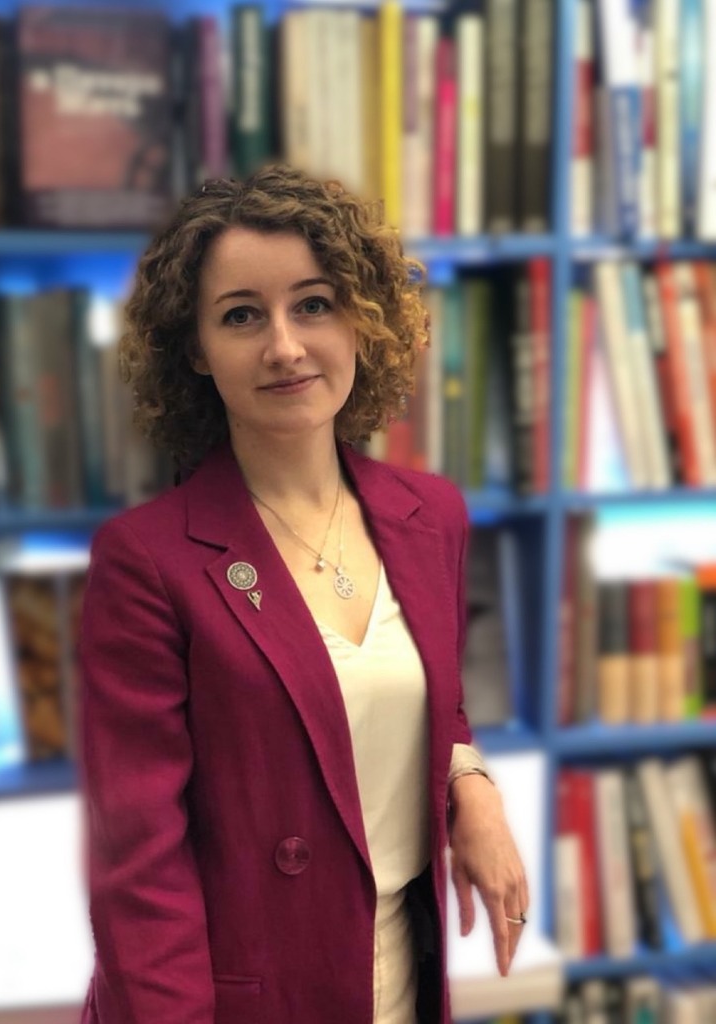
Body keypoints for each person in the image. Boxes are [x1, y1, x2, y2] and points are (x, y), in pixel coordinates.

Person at [78, 165, 528, 1024]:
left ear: (361, 318)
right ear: (195, 350)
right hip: (241, 1000)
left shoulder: (429, 515)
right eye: (241, 315)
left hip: (399, 978)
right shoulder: (146, 561)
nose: (284, 346)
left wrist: (471, 784)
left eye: (313, 305)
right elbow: (138, 866)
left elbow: (430, 700)